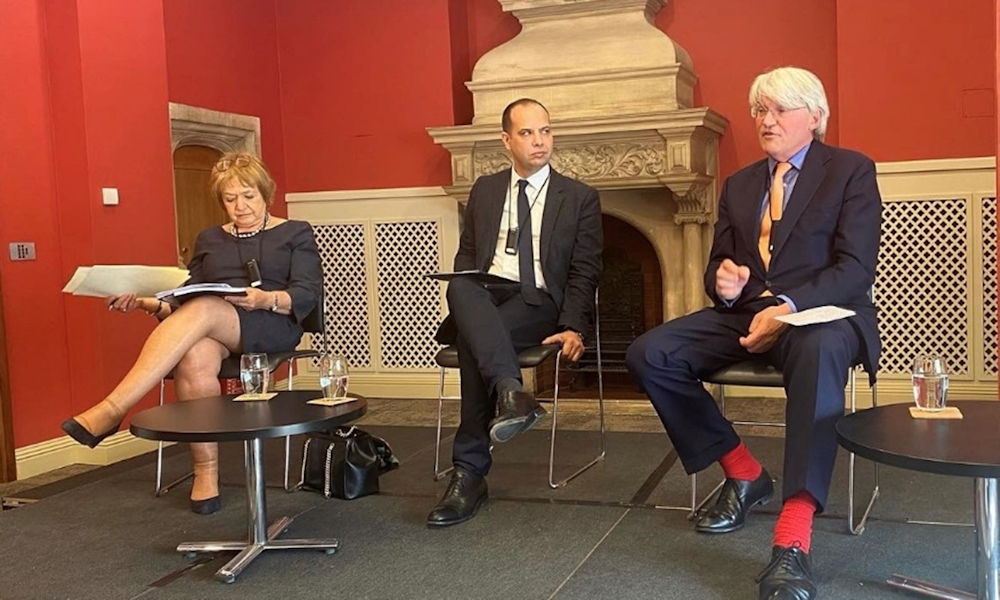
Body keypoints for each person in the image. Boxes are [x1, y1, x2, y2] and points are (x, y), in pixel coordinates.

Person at [625, 67, 880, 600]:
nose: (766, 120)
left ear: (815, 117)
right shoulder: (739, 184)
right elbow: (719, 263)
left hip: (822, 314)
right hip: (746, 312)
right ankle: (743, 472)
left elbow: (855, 270)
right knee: (652, 352)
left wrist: (786, 307)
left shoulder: (850, 171)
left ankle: (793, 536)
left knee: (815, 347)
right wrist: (725, 281)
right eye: (760, 110)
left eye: (779, 109)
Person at [62, 152, 322, 515]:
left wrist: (265, 297)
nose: (240, 206)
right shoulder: (210, 239)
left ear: (266, 193)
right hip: (213, 324)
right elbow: (186, 301)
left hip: (271, 321)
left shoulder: (295, 232)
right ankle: (206, 470)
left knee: (205, 309)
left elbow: (307, 294)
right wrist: (144, 303)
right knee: (194, 353)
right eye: (230, 199)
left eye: (248, 196)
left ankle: (112, 408)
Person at [427, 98, 602, 527]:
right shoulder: (486, 189)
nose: (539, 141)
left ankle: (469, 472)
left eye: (545, 131)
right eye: (527, 133)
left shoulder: (579, 197)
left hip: (537, 300)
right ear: (506, 140)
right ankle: (511, 391)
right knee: (463, 285)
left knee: (474, 341)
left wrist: (573, 325)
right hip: (487, 293)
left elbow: (586, 269)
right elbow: (468, 255)